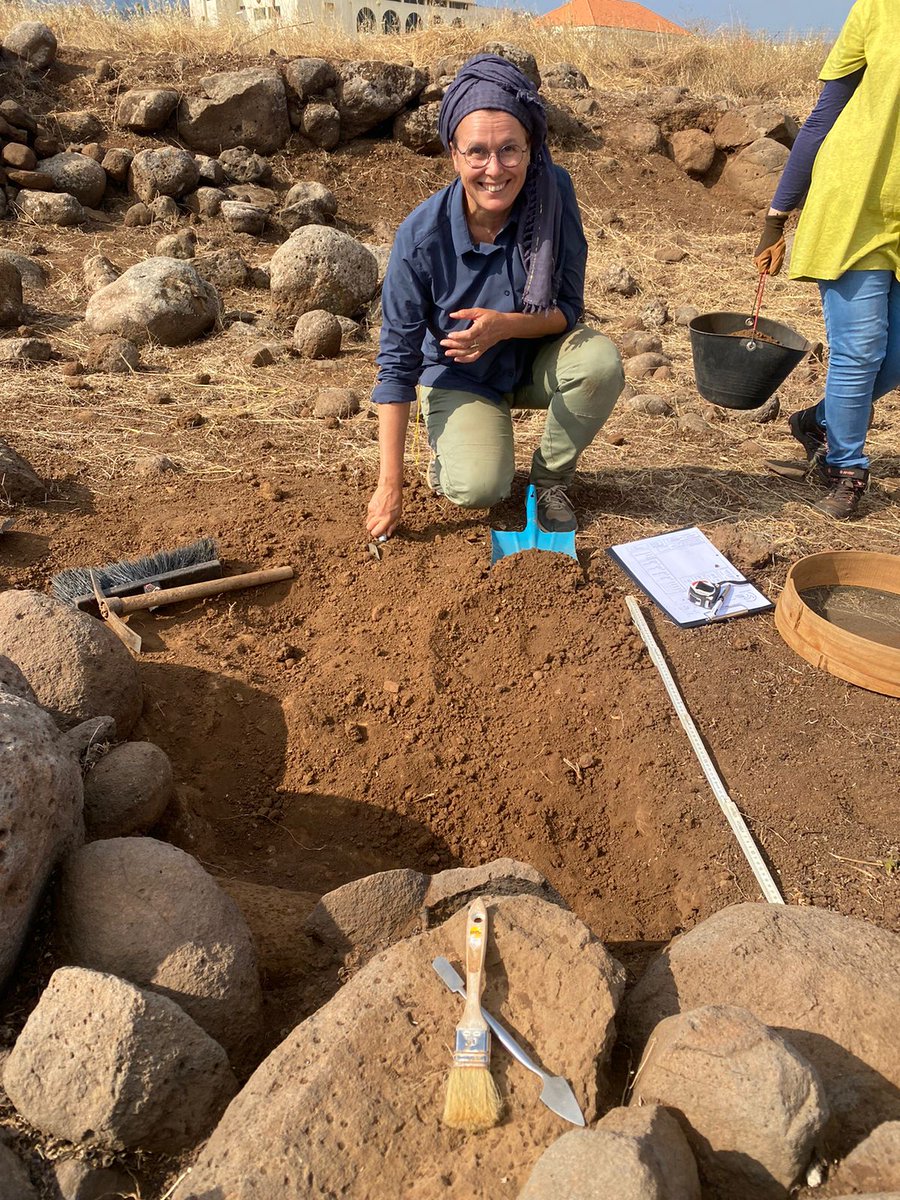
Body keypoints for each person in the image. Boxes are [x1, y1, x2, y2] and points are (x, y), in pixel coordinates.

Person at [365, 54, 624, 542]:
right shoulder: (421, 237)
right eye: (477, 152)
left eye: (510, 150)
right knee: (479, 488)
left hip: (531, 360)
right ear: (454, 155)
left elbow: (567, 309)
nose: (494, 169)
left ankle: (549, 481)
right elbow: (396, 362)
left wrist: (502, 327)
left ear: (531, 149)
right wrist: (389, 485)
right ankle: (455, 442)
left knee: (599, 363)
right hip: (461, 375)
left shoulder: (554, 195)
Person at [754, 0, 899, 520]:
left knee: (894, 359)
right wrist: (778, 214)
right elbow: (825, 113)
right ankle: (847, 466)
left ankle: (819, 422)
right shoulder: (879, 10)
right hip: (855, 206)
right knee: (860, 350)